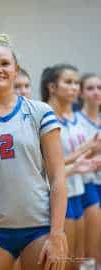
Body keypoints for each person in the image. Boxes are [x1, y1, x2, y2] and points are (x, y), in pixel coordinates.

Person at [0, 32, 68, 270]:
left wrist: (57, 234)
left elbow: (58, 177)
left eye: (5, 63)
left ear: (16, 69)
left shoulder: (40, 111)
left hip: (39, 227)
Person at [40, 64, 89, 270]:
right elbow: (45, 165)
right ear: (52, 87)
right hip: (56, 197)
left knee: (78, 258)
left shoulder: (72, 119)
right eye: (68, 82)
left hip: (77, 191)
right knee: (62, 262)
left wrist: (91, 152)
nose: (75, 88)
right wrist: (77, 159)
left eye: (77, 83)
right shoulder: (45, 117)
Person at [76, 73, 101, 266]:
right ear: (81, 93)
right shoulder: (75, 121)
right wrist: (93, 154)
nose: (96, 92)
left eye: (99, 88)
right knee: (88, 247)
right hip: (86, 184)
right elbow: (73, 156)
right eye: (90, 88)